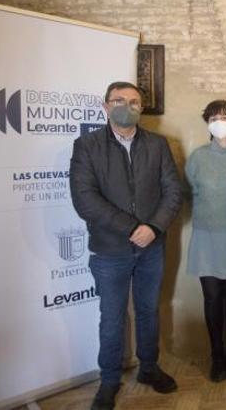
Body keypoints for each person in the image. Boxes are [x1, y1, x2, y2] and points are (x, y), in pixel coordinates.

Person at [70, 81, 183, 410]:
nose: (127, 106)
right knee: (112, 317)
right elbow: (85, 200)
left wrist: (154, 227)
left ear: (141, 108)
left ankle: (149, 368)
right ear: (105, 106)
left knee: (149, 311)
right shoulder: (87, 146)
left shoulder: (158, 145)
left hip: (151, 248)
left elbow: (172, 192)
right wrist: (133, 227)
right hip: (110, 250)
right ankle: (108, 381)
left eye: (134, 102)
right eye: (119, 100)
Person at [185, 100, 226, 383]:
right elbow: (189, 191)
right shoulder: (197, 158)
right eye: (214, 117)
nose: (220, 121)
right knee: (212, 299)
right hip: (207, 236)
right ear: (207, 123)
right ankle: (217, 356)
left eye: (225, 117)